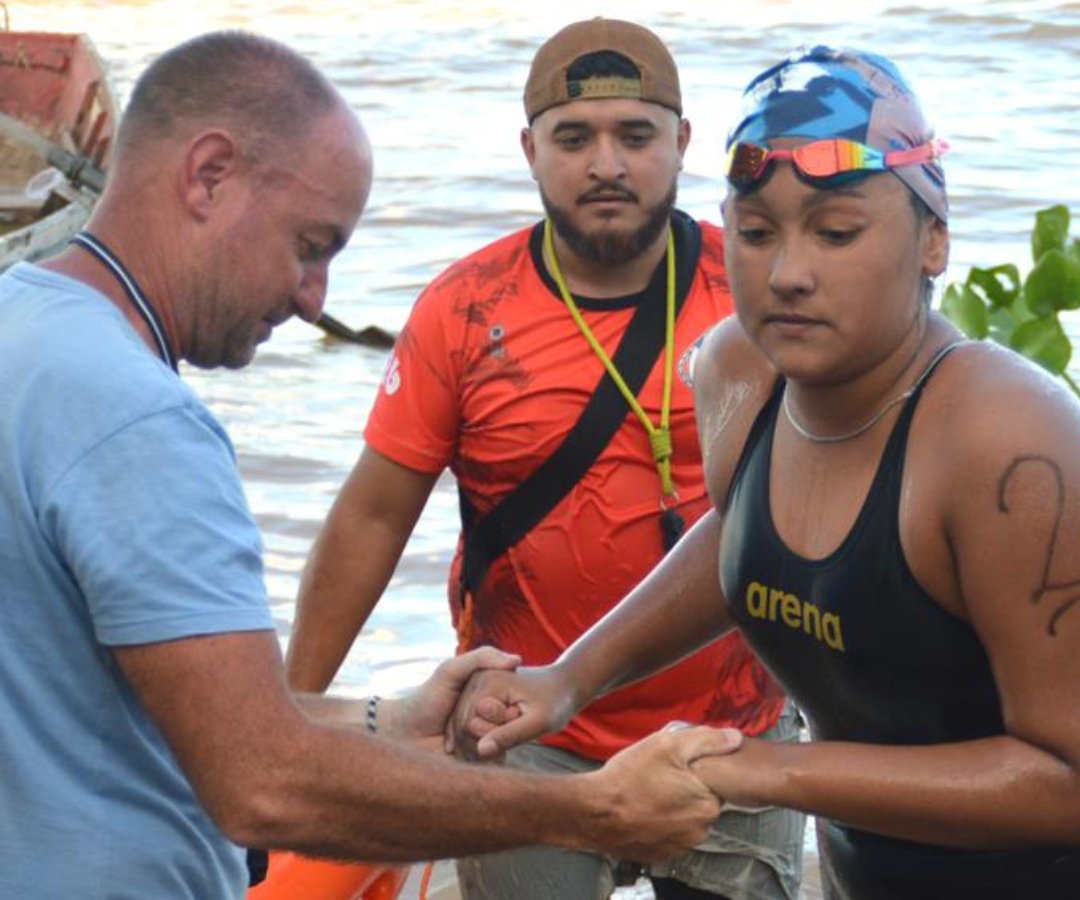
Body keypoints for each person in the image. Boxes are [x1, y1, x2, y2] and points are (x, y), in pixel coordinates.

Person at [454, 45, 1080, 900]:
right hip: (883, 868)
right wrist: (569, 679)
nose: (789, 273)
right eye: (756, 233)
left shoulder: (1007, 439)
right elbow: (748, 540)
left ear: (933, 241)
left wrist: (759, 770)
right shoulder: (738, 374)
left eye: (836, 232)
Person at [0, 31, 745, 900]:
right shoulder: (141, 422)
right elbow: (263, 780)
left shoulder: (25, 328)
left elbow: (155, 704)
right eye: (310, 245)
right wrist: (586, 812)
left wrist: (388, 717)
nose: (314, 299)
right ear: (207, 175)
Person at [285, 18, 804, 900]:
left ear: (681, 143)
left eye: (635, 136)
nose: (606, 164)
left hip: (731, 731)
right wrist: (287, 712)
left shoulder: (757, 295)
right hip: (524, 735)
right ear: (530, 150)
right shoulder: (464, 308)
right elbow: (373, 518)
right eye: (574, 138)